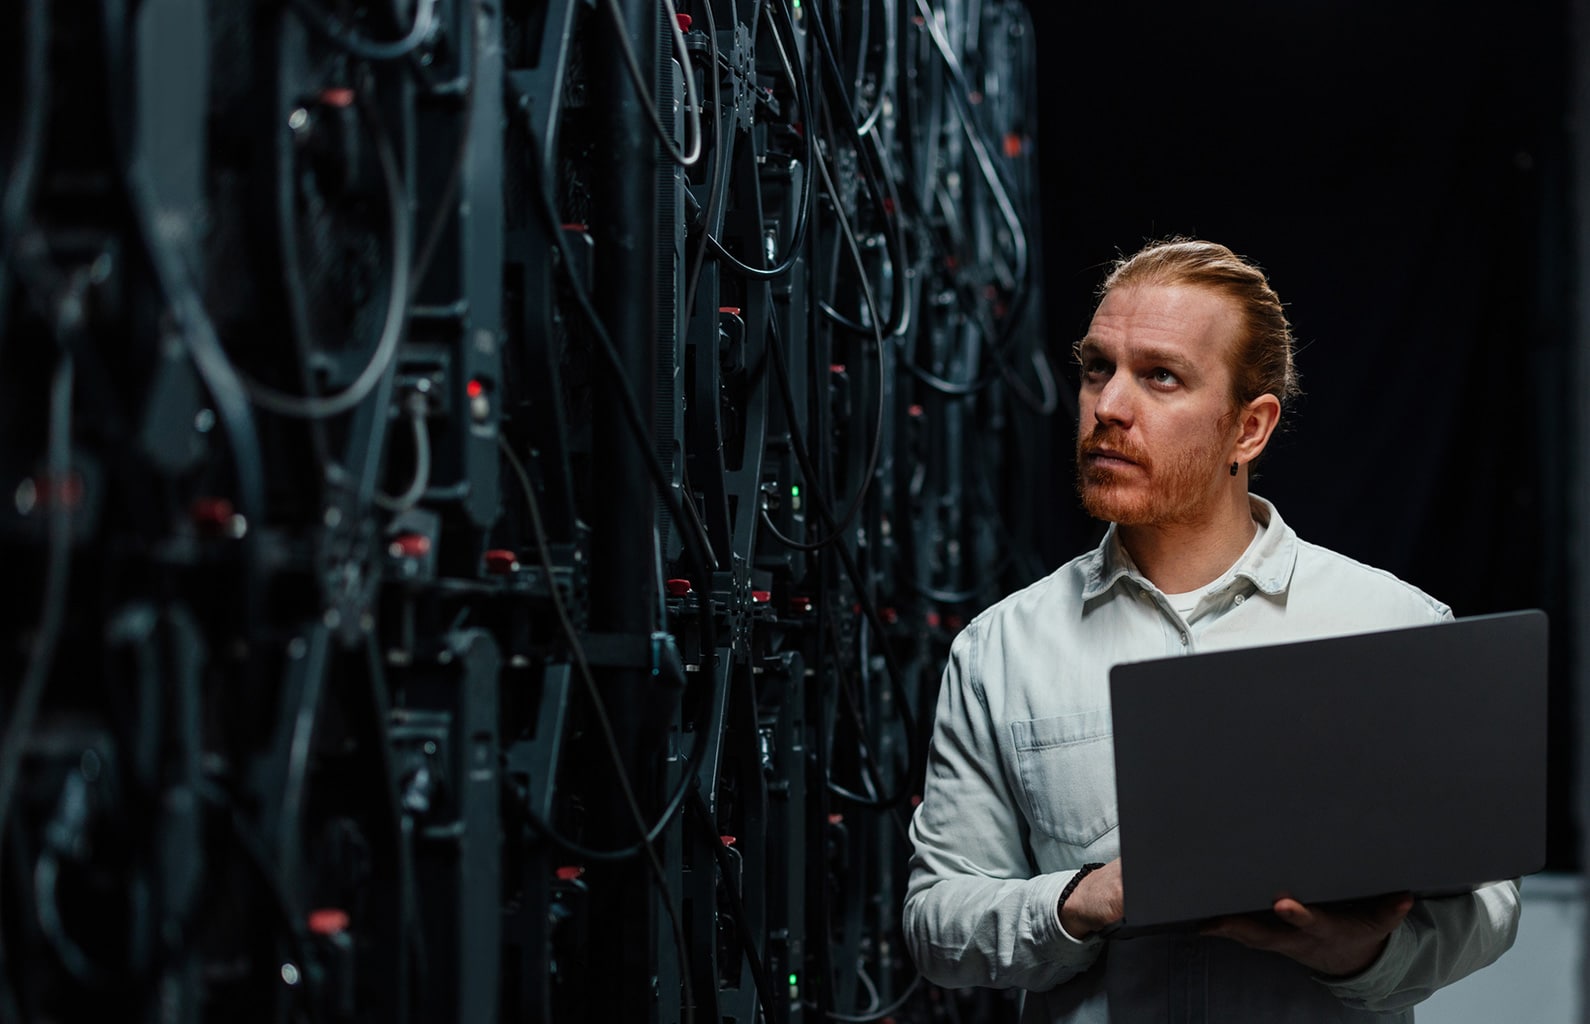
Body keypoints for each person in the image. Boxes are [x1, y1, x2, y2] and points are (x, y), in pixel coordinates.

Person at [901, 239, 1520, 1022]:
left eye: (1160, 376)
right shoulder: (1001, 649)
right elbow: (935, 920)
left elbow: (1489, 906)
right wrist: (1084, 902)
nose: (1108, 407)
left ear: (1249, 429)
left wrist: (1354, 953)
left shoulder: (1393, 625)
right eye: (1097, 368)